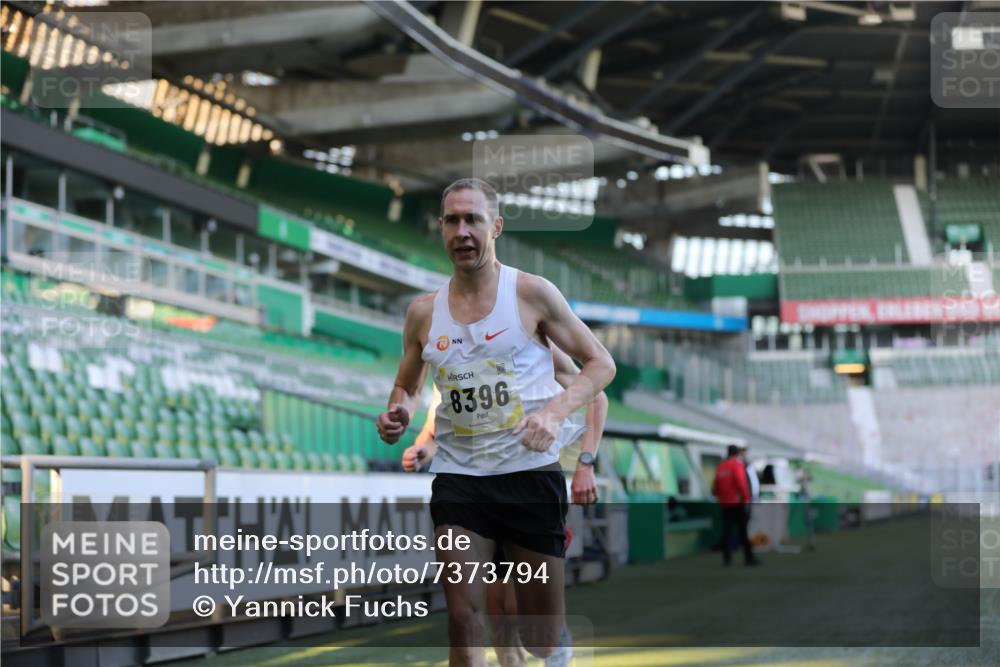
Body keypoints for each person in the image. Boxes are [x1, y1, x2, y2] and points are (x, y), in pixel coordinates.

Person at [377, 178, 616, 667]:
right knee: (464, 619)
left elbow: (601, 365)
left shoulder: (531, 294)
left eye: (473, 219)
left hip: (529, 477)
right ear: (441, 228)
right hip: (460, 480)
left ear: (496, 227)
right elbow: (407, 386)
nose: (462, 231)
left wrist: (553, 414)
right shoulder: (423, 312)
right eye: (452, 220)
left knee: (537, 639)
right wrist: (399, 412)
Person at [403, 342, 608, 667]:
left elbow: (597, 395)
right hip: (469, 492)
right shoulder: (450, 353)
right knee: (495, 612)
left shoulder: (532, 340)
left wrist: (585, 464)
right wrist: (423, 448)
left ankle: (556, 640)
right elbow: (434, 425)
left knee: (520, 613)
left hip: (528, 490)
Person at [712, 444, 759, 566]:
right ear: (737, 453)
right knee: (743, 531)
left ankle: (726, 558)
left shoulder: (721, 466)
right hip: (737, 503)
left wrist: (721, 497)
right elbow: (741, 483)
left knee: (727, 530)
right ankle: (749, 558)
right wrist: (746, 498)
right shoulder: (737, 465)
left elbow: (715, 487)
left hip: (725, 504)